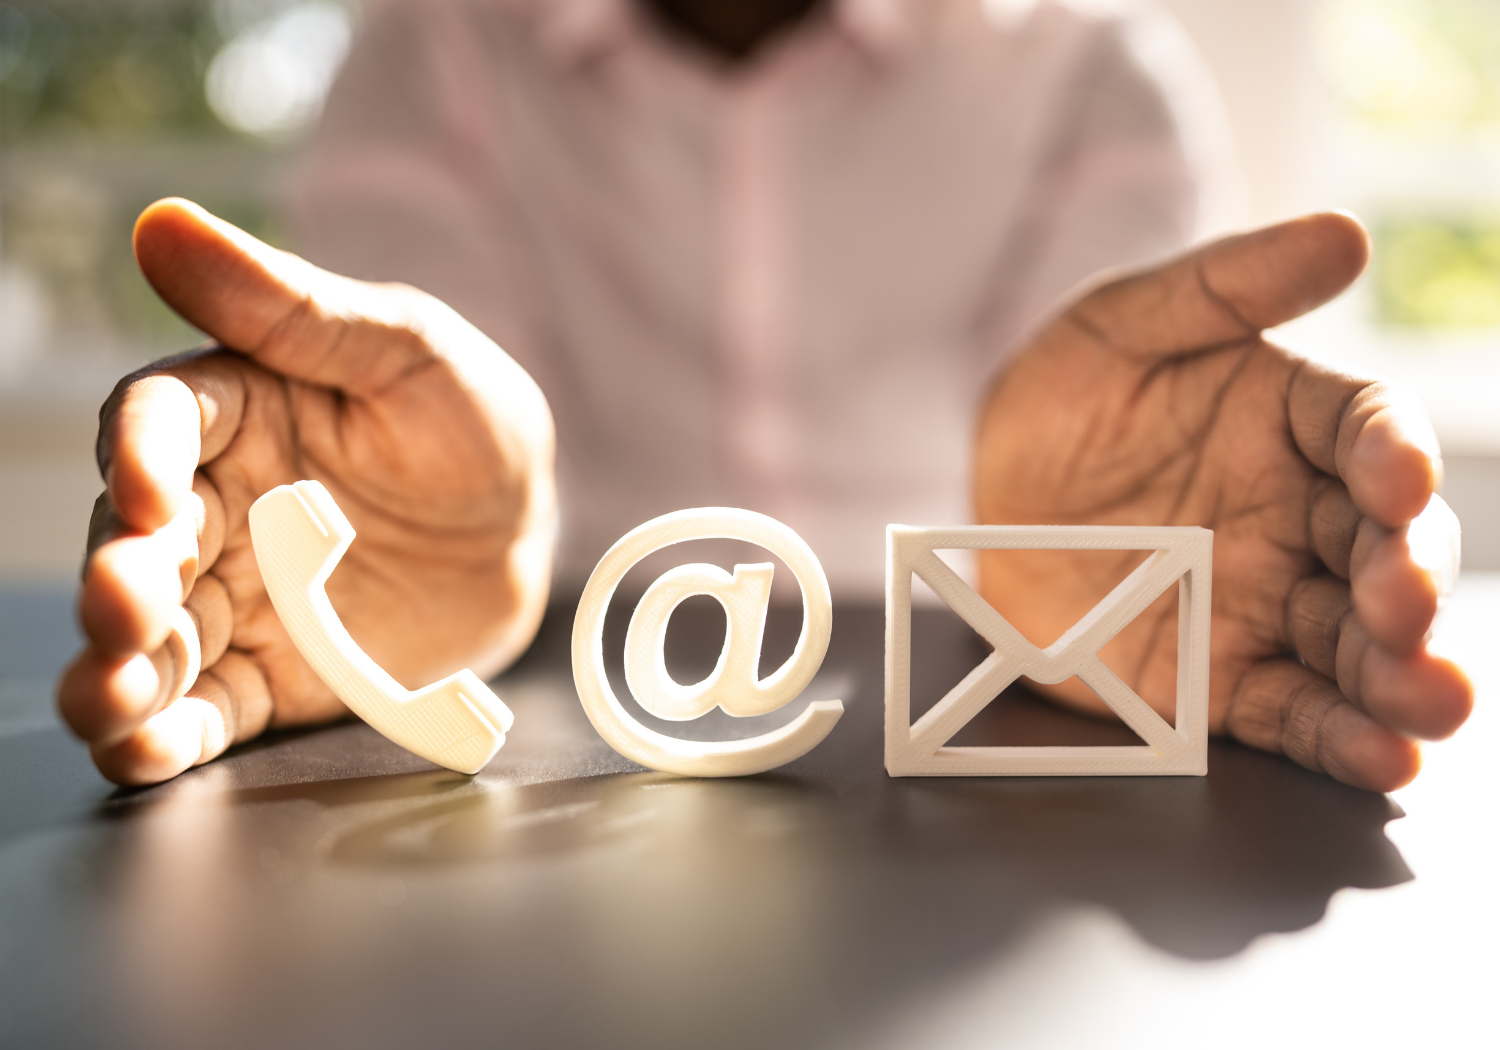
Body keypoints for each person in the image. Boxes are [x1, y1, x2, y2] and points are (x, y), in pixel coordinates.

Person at [56, 0, 1471, 790]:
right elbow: (418, 402)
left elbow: (1114, 420)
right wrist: (427, 534)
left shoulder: (1086, 65)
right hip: (546, 669)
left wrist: (1074, 555)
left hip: (988, 681)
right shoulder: (430, 54)